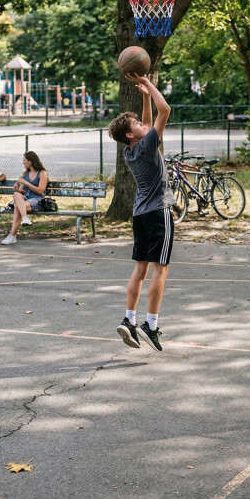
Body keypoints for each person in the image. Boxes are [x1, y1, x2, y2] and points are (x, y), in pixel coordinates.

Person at [107, 74, 173, 353]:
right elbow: (165, 110)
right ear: (132, 135)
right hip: (159, 212)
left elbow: (146, 123)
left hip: (140, 215)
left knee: (140, 269)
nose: (142, 124)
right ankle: (151, 325)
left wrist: (145, 95)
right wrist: (151, 85)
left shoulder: (130, 151)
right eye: (136, 124)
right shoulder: (147, 145)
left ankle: (129, 319)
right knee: (161, 269)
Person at [1, 151, 49, 245]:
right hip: (26, 198)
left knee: (17, 207)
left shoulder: (42, 173)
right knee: (16, 195)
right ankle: (25, 218)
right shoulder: (26, 173)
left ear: (30, 161)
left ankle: (12, 236)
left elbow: (40, 191)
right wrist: (17, 187)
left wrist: (26, 183)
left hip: (37, 199)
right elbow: (20, 191)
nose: (23, 162)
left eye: (24, 160)